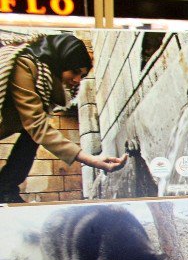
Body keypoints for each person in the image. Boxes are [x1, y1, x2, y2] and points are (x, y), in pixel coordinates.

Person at [0, 34, 126, 203]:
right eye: (75, 72)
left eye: (82, 76)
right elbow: (36, 125)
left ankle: (5, 188)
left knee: (33, 136)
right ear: (61, 62)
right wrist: (91, 160)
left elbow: (37, 128)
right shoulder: (25, 64)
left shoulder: (47, 84)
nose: (77, 80)